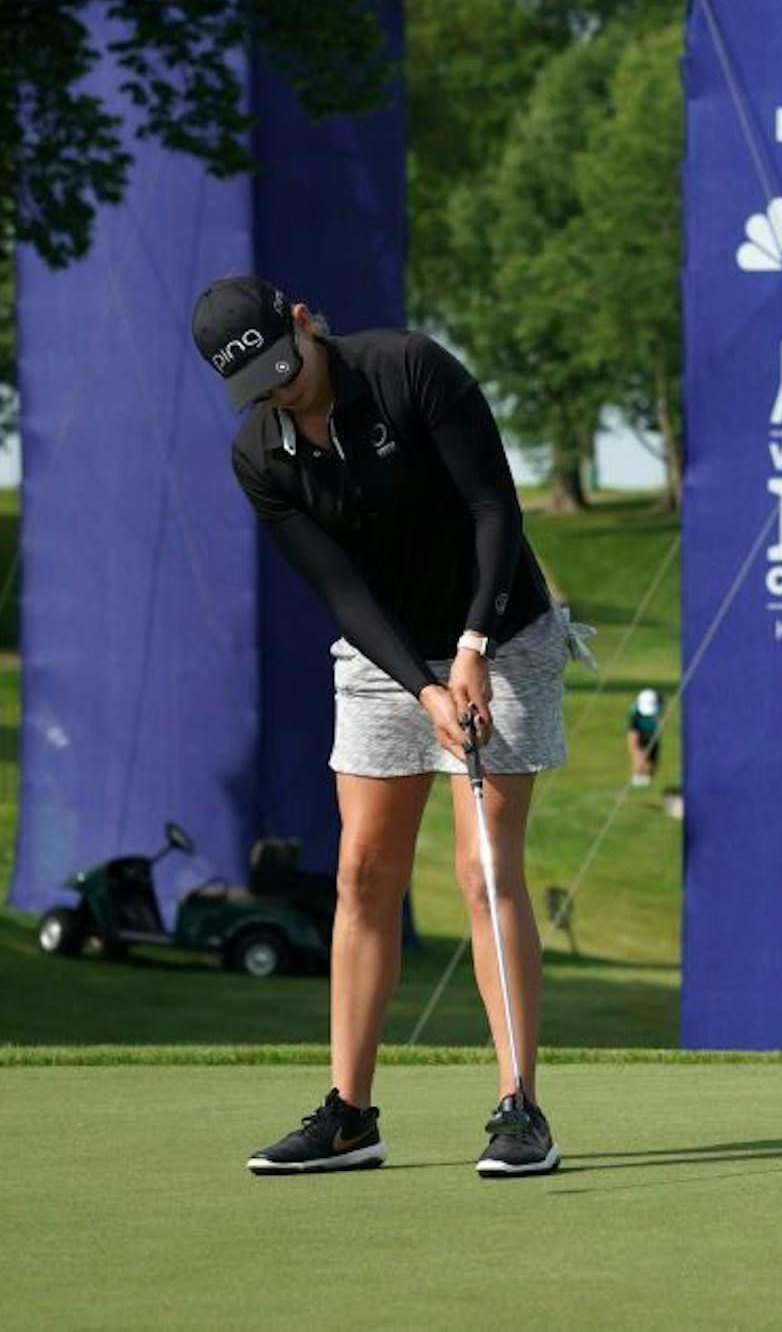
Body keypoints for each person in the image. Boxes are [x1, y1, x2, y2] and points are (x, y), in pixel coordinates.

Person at [196, 274, 580, 1178]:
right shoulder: (261, 454)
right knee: (364, 871)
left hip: (504, 632)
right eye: (259, 386)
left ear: (301, 321)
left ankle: (522, 1106)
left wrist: (473, 648)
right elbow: (342, 589)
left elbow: (496, 508)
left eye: (286, 367)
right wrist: (422, 685)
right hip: (385, 656)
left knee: (484, 866)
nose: (282, 391)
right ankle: (350, 1116)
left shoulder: (409, 370)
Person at [628, 688, 663, 786]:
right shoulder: (634, 713)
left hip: (652, 734)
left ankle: (646, 776)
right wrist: (635, 750)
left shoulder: (659, 705)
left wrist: (659, 724)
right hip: (641, 733)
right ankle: (638, 775)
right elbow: (632, 733)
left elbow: (660, 719)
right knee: (639, 754)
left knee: (653, 760)